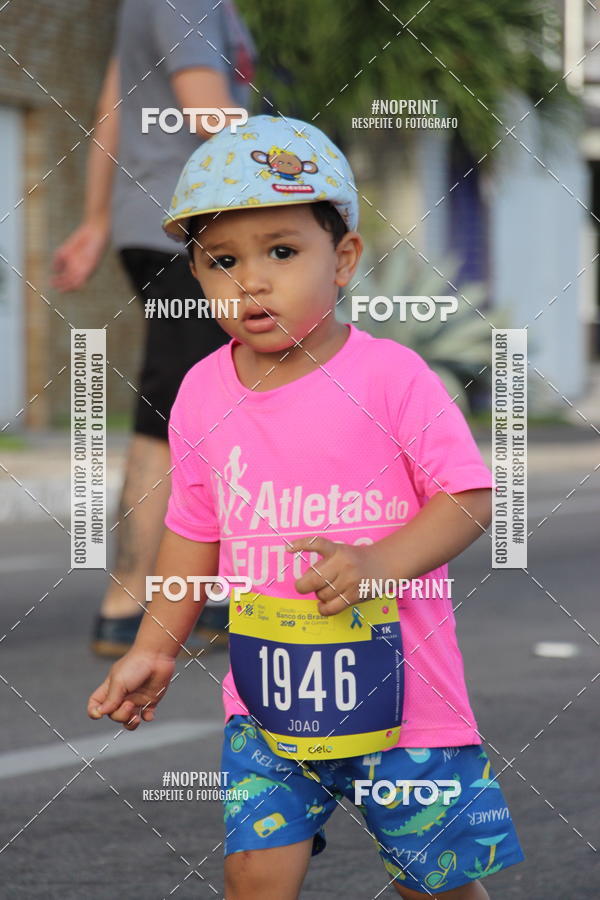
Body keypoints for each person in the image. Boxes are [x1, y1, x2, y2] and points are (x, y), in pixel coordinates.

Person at [87, 115, 525, 898]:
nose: (250, 280)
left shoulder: (394, 378)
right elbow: (193, 533)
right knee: (254, 873)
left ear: (344, 258)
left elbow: (468, 494)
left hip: (407, 702)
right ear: (196, 273)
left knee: (439, 882)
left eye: (282, 252)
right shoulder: (200, 394)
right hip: (268, 703)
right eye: (223, 261)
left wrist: (379, 563)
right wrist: (156, 647)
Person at [52, 0, 256, 656]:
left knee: (194, 403)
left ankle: (195, 593)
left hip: (156, 223)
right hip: (187, 228)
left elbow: (115, 103)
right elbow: (208, 114)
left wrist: (95, 218)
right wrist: (294, 180)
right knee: (171, 408)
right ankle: (133, 599)